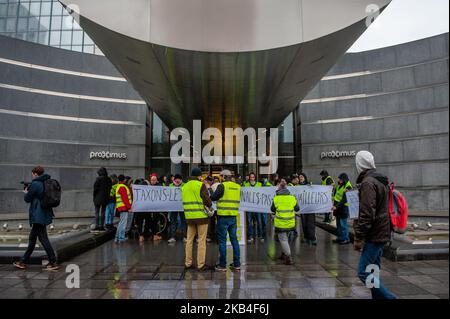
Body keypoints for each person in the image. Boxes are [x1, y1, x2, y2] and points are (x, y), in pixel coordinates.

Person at [353, 151, 396, 299]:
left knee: (363, 272)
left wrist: (359, 237)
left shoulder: (368, 183)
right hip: (383, 230)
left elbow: (367, 214)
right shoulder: (380, 180)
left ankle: (389, 298)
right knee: (373, 269)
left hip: (374, 233)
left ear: (360, 164)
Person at [13, 166, 59, 271]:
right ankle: (23, 261)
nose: (32, 175)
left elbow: (27, 199)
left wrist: (26, 192)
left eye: (32, 173)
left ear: (34, 173)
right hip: (43, 214)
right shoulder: (46, 181)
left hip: (38, 216)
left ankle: (53, 262)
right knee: (33, 239)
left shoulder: (35, 184)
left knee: (43, 239)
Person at [182, 168, 212, 271]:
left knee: (189, 240)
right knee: (201, 240)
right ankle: (200, 264)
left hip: (189, 217)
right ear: (199, 176)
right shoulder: (200, 185)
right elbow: (207, 200)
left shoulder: (184, 186)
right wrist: (210, 205)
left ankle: (188, 263)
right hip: (201, 217)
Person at [211, 170, 241, 272]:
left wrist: (210, 193)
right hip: (233, 217)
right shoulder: (237, 186)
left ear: (223, 176)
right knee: (234, 240)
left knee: (223, 241)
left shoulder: (222, 186)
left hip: (223, 217)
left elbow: (214, 197)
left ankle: (222, 265)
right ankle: (237, 264)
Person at [270, 178, 299, 265]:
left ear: (279, 189)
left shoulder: (276, 198)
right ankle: (284, 254)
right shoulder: (292, 198)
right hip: (290, 222)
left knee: (283, 239)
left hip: (281, 223)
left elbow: (272, 209)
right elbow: (297, 209)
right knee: (286, 239)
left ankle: (288, 256)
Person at [332, 173, 353, 245]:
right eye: (339, 179)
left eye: (340, 179)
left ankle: (346, 239)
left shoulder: (348, 187)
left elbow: (344, 199)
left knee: (343, 224)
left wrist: (336, 206)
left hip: (344, 208)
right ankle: (340, 238)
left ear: (344, 179)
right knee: (338, 224)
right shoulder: (339, 185)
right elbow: (336, 196)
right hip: (338, 208)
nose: (339, 180)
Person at [243, 172, 263, 243]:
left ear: (255, 178)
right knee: (249, 222)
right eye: (251, 177)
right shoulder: (246, 185)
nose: (252, 178)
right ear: (249, 178)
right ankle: (250, 236)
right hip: (249, 207)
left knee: (259, 222)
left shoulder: (259, 184)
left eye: (253, 177)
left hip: (257, 207)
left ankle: (260, 236)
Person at [298, 173, 317, 245]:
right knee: (304, 223)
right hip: (303, 208)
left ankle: (312, 238)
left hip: (310, 207)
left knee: (311, 223)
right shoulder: (298, 186)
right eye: (300, 177)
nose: (301, 178)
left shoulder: (309, 185)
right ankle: (306, 237)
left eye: (302, 177)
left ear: (305, 178)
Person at [168, 174, 186, 243]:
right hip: (173, 206)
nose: (177, 180)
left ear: (181, 180)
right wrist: (175, 186)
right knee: (173, 221)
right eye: (176, 179)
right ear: (174, 180)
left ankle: (184, 236)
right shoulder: (171, 185)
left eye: (179, 179)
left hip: (182, 206)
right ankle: (172, 237)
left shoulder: (184, 185)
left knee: (183, 222)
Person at [115, 174, 133, 243]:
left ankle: (117, 237)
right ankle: (121, 238)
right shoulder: (123, 187)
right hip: (124, 208)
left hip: (120, 207)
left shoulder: (118, 186)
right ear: (124, 180)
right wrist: (129, 207)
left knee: (120, 223)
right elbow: (125, 199)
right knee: (123, 223)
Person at [93, 167, 112, 231]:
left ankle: (97, 225)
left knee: (97, 212)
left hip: (97, 198)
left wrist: (94, 197)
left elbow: (95, 189)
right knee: (103, 212)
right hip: (105, 198)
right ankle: (101, 226)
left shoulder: (98, 179)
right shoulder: (109, 179)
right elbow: (110, 188)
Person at [147, 174, 163, 241]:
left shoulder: (159, 186)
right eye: (152, 180)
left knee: (155, 221)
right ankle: (152, 234)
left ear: (156, 180)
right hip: (150, 207)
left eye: (154, 180)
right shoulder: (148, 186)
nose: (153, 181)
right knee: (151, 221)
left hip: (156, 207)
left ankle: (155, 235)